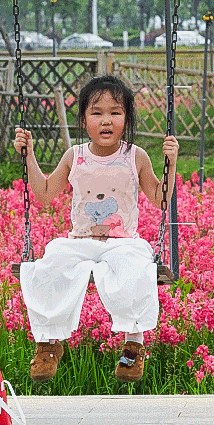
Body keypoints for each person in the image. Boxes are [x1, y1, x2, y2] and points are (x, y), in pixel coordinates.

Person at [14, 74, 178, 385]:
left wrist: (172, 162)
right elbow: (46, 194)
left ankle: (133, 345)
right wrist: (29, 156)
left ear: (126, 118)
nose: (106, 120)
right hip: (81, 241)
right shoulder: (74, 156)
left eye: (115, 112)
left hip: (122, 242)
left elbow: (159, 199)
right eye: (96, 112)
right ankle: (49, 343)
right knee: (49, 261)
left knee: (138, 269)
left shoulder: (135, 156)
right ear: (84, 119)